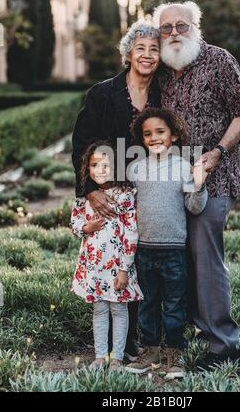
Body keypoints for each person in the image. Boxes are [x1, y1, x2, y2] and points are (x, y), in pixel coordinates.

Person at [153, 1, 240, 371]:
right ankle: (202, 326)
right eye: (167, 28)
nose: (174, 32)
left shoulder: (219, 60)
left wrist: (217, 152)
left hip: (215, 177)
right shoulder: (162, 70)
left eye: (182, 25)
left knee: (206, 256)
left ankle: (226, 345)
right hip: (171, 182)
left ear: (196, 27)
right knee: (183, 257)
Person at [72, 20, 161, 361]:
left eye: (154, 49)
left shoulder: (163, 93)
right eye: (140, 48)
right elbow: (82, 142)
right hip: (111, 191)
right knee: (111, 259)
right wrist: (91, 188)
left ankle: (141, 337)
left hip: (151, 189)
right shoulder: (103, 93)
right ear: (127, 53)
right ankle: (111, 346)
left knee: (141, 258)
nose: (147, 55)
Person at [125, 107, 208, 379]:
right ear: (142, 138)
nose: (154, 137)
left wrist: (199, 184)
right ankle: (150, 351)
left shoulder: (183, 167)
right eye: (147, 133)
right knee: (147, 303)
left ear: (173, 136)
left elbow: (194, 207)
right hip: (144, 249)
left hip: (173, 250)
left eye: (160, 132)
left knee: (174, 304)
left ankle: (174, 354)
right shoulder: (135, 168)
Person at [70, 141, 143, 372]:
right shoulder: (85, 198)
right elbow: (74, 223)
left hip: (117, 267)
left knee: (119, 310)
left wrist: (124, 268)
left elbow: (131, 233)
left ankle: (118, 358)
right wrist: (86, 227)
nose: (100, 170)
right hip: (94, 265)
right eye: (94, 165)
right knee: (99, 310)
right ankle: (100, 356)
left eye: (106, 165)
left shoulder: (124, 195)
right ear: (87, 168)